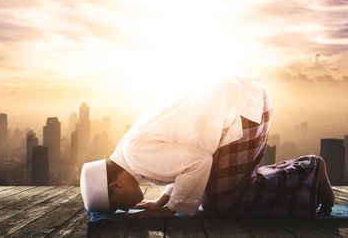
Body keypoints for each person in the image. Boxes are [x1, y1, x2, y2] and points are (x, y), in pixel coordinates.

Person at [80, 75, 334, 218]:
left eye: (118, 206)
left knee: (224, 203)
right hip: (239, 103)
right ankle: (303, 170)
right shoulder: (130, 153)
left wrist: (170, 211)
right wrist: (164, 201)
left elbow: (197, 162)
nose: (125, 209)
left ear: (115, 185)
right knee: (215, 196)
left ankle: (308, 170)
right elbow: (182, 157)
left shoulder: (136, 155)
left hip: (244, 110)